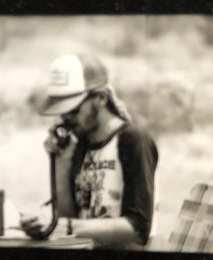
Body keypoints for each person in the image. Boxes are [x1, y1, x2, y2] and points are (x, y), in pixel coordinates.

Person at [21, 53, 159, 248]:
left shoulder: (133, 140)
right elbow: (71, 218)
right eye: (61, 111)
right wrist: (62, 162)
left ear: (100, 99)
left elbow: (138, 228)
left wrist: (64, 226)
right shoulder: (80, 144)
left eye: (73, 109)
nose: (65, 118)